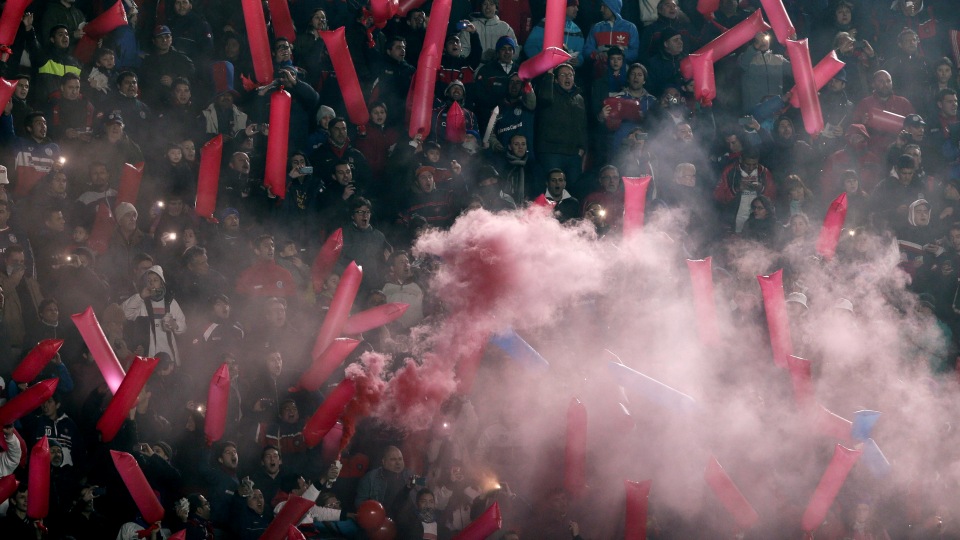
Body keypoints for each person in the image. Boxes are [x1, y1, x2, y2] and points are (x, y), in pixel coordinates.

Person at [121, 264, 187, 364]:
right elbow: (126, 314)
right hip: (148, 356)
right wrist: (140, 297)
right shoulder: (141, 301)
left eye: (155, 280)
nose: (152, 283)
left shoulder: (170, 302)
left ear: (161, 282)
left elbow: (183, 327)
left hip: (169, 357)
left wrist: (175, 325)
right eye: (149, 281)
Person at [356, 446, 416, 512]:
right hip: (382, 518)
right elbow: (359, 504)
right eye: (393, 459)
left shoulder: (410, 475)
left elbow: (426, 488)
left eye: (400, 459)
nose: (398, 463)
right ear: (383, 461)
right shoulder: (370, 478)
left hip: (408, 517)